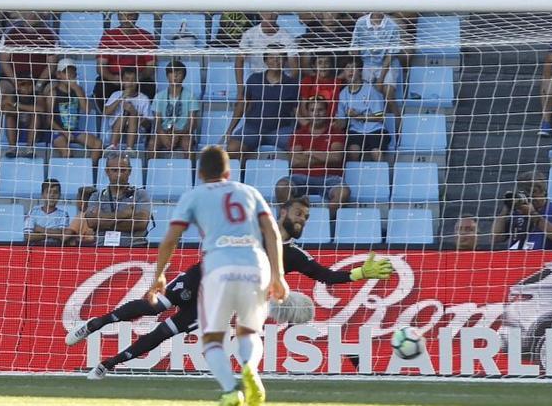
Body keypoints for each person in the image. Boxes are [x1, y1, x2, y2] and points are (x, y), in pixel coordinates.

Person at [67, 195, 394, 380]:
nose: (302, 219)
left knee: (166, 332)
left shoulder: (292, 255)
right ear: (283, 212)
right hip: (204, 275)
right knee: (154, 305)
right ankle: (96, 324)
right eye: (298, 213)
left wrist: (359, 273)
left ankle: (109, 364)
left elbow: (326, 277)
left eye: (307, 216)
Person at [146, 146, 287, 406]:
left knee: (212, 338)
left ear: (199, 173)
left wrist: (159, 275)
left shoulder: (194, 196)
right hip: (257, 264)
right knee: (249, 332)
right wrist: (278, 275)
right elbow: (273, 233)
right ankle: (251, 370)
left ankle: (231, 390)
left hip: (219, 266)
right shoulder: (249, 192)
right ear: (228, 172)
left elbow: (170, 240)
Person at [275, 97, 350, 218]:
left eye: (320, 110)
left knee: (343, 192)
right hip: (301, 177)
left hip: (329, 177)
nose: (316, 113)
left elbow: (336, 158)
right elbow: (295, 161)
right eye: (312, 110)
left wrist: (310, 152)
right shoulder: (298, 134)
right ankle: (291, 223)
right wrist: (324, 156)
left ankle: (324, 223)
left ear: (326, 112)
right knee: (281, 186)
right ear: (308, 113)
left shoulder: (336, 133)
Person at [225, 49, 299, 158]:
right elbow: (242, 105)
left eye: (280, 58)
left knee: (299, 150)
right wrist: (230, 129)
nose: (276, 61)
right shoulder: (254, 79)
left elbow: (297, 112)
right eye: (272, 57)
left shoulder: (292, 84)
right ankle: (245, 172)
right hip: (253, 128)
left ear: (285, 61)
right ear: (266, 61)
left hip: (280, 130)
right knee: (232, 149)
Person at [84, 151, 153, 243]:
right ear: (107, 171)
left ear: (130, 171)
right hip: (102, 249)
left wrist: (103, 219)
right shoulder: (96, 196)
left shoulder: (141, 194)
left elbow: (141, 223)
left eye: (123, 170)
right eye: (115, 170)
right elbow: (92, 222)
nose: (119, 174)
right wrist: (123, 215)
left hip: (134, 248)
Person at [491, 170, 552, 250]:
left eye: (534, 192)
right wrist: (506, 208)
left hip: (544, 258)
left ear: (544, 192)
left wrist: (532, 214)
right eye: (526, 192)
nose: (530, 196)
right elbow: (496, 238)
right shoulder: (518, 212)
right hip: (516, 258)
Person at [45, 59, 103, 162]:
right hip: (57, 131)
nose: (71, 75)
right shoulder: (53, 93)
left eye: (73, 72)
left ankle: (89, 171)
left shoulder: (78, 90)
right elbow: (49, 120)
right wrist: (64, 133)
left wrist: (77, 89)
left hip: (74, 130)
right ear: (58, 75)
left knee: (98, 144)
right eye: (67, 72)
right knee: (66, 151)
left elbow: (87, 110)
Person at [96, 11, 158, 107]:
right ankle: (107, 118)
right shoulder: (108, 36)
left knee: (149, 86)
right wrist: (112, 78)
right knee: (101, 86)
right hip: (115, 78)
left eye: (130, 15)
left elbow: (151, 66)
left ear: (137, 16)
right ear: (118, 17)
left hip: (138, 79)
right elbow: (100, 66)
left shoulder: (147, 37)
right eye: (122, 15)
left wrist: (137, 78)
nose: (126, 19)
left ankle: (142, 119)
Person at [351, 5, 402, 118]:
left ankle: (399, 124)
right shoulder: (360, 23)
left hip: (387, 64)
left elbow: (391, 55)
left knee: (388, 94)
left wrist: (380, 79)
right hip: (367, 63)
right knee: (365, 94)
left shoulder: (392, 25)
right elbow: (354, 48)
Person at [335, 56, 388, 162]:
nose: (350, 71)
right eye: (347, 68)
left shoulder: (370, 90)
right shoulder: (342, 94)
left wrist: (358, 116)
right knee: (353, 151)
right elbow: (342, 121)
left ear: (360, 71)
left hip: (375, 130)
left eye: (353, 67)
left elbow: (380, 116)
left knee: (376, 152)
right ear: (343, 72)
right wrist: (337, 123)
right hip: (355, 131)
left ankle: (382, 177)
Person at [150, 60, 199, 156]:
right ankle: (151, 170)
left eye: (179, 73)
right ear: (167, 76)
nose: (175, 76)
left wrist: (179, 134)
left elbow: (192, 123)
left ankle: (190, 170)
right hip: (164, 131)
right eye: (172, 72)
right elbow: (156, 121)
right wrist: (162, 135)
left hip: (183, 132)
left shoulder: (190, 96)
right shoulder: (159, 96)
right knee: (152, 143)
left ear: (184, 77)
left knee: (187, 144)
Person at [104, 67, 153, 151]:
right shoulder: (115, 95)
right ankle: (112, 147)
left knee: (131, 116)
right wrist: (121, 98)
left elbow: (148, 124)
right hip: (115, 130)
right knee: (124, 114)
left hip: (136, 133)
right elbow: (105, 112)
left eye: (133, 80)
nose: (130, 83)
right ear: (122, 81)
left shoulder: (144, 98)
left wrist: (134, 112)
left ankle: (129, 149)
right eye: (127, 79)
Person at [0, 76, 40, 159]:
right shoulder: (12, 95)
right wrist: (26, 111)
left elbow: (40, 109)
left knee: (36, 115)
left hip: (35, 131)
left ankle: (29, 148)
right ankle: (12, 148)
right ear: (18, 86)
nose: (27, 87)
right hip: (16, 126)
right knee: (9, 117)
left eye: (30, 84)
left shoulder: (38, 95)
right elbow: (5, 110)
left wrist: (16, 105)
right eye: (23, 84)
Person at [24, 179, 73, 246]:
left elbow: (62, 235)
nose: (52, 195)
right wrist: (54, 233)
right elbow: (28, 236)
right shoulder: (33, 212)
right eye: (48, 192)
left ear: (59, 195)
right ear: (42, 195)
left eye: (55, 192)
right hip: (36, 250)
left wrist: (40, 229)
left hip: (55, 250)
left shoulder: (63, 215)